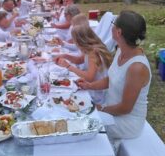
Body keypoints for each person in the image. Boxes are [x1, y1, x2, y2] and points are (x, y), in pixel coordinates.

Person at [76, 10, 151, 140]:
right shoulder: (121, 50)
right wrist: (89, 85)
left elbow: (125, 108)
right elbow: (111, 79)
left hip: (126, 122)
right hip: (111, 111)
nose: (111, 26)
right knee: (76, 112)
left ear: (118, 32)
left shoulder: (136, 68)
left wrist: (100, 108)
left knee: (79, 125)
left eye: (113, 23)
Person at [55, 25, 112, 104]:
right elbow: (79, 60)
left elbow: (89, 77)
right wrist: (65, 56)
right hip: (91, 86)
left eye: (75, 40)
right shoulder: (90, 48)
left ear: (80, 41)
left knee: (63, 93)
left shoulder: (93, 53)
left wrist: (68, 66)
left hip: (95, 92)